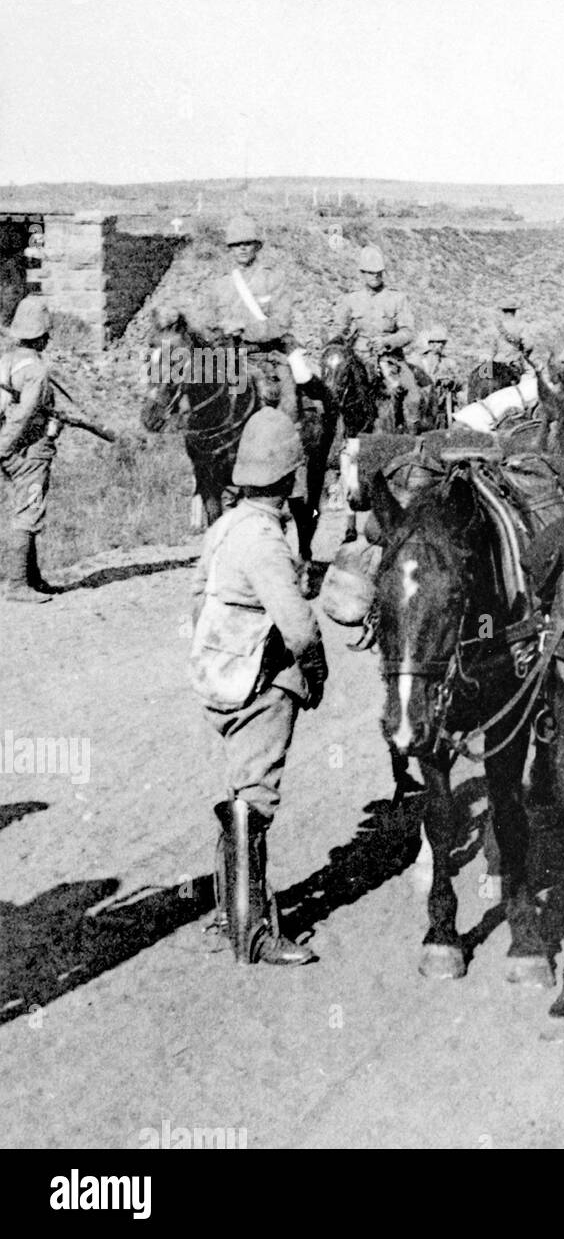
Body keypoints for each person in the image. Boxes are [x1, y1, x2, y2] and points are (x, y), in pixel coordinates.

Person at [189, 408, 328, 966]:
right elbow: (299, 627)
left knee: (238, 791)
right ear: (291, 478)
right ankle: (251, 934)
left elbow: (198, 600)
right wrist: (315, 675)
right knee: (254, 800)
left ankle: (228, 910)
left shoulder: (225, 526)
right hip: (256, 680)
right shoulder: (267, 541)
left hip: (216, 673)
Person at [194, 216, 299, 421]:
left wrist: (244, 327)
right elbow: (207, 323)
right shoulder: (219, 285)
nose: (242, 249)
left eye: (247, 243)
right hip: (227, 358)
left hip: (265, 355)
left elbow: (281, 323)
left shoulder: (273, 278)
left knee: (289, 404)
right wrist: (220, 329)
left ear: (257, 246)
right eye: (236, 245)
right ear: (230, 249)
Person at [0, 296, 59, 603]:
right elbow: (24, 414)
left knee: (26, 506)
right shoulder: (36, 370)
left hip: (11, 451)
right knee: (29, 509)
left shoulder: (7, 360)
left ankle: (32, 579)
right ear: (43, 335)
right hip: (29, 450)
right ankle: (17, 584)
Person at [335, 245, 419, 431]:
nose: (375, 276)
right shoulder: (351, 299)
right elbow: (338, 330)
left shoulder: (397, 298)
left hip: (390, 359)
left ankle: (411, 436)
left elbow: (408, 332)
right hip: (357, 359)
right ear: (362, 273)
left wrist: (387, 342)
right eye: (370, 273)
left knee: (413, 396)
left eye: (379, 273)